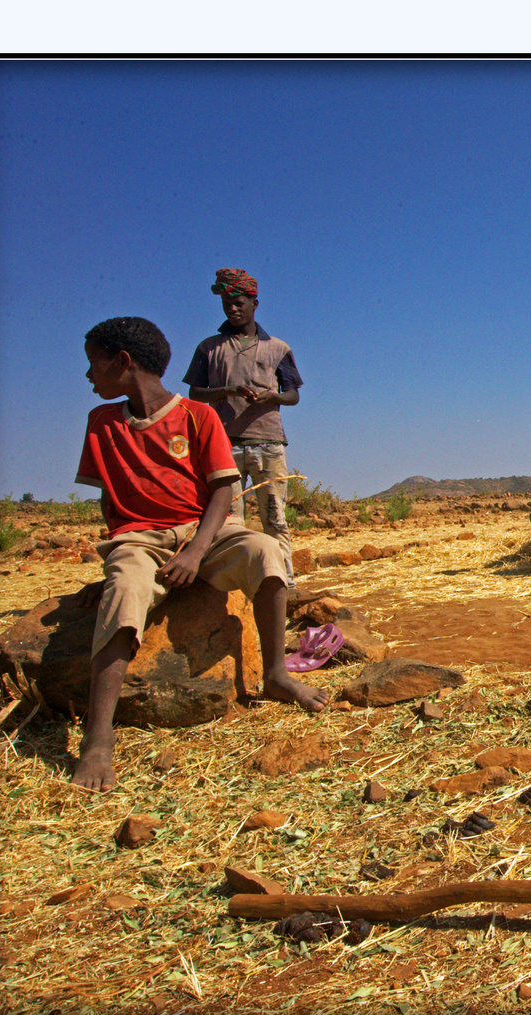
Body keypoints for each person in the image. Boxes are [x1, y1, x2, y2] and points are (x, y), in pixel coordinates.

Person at [71, 316, 328, 792]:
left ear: (123, 362)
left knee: (266, 550)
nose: (89, 376)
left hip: (203, 530)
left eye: (94, 364)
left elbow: (221, 492)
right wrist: (114, 566)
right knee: (126, 588)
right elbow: (110, 500)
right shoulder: (102, 423)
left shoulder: (196, 415)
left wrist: (195, 552)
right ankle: (98, 736)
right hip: (140, 538)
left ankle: (274, 674)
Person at [183, 268, 302, 585]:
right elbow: (195, 393)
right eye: (227, 304)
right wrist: (227, 391)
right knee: (229, 521)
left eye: (238, 302)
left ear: (254, 303)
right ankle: (233, 587)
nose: (233, 309)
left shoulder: (277, 347)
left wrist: (269, 397)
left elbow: (292, 395)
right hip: (223, 445)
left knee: (274, 519)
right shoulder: (209, 348)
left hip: (269, 444)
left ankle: (283, 584)